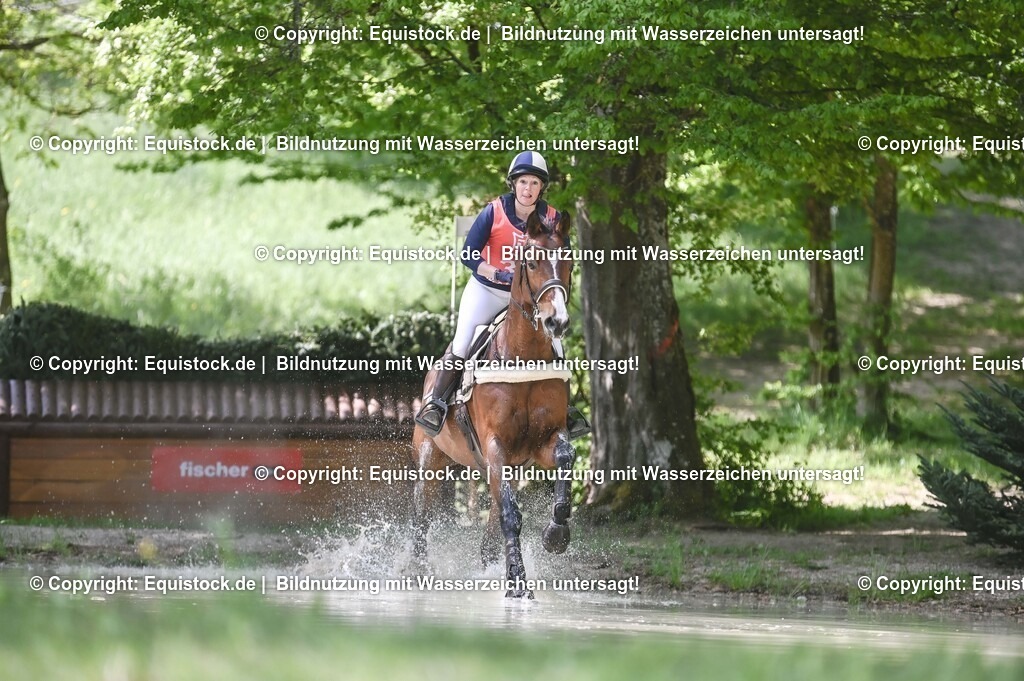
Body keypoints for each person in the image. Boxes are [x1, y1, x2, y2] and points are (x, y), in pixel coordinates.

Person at [415, 151, 589, 439]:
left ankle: (565, 411)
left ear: (541, 187)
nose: (528, 189)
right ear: (513, 184)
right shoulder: (493, 212)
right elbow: (469, 253)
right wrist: (497, 273)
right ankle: (436, 403)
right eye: (523, 182)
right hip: (488, 290)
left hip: (531, 300)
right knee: (462, 343)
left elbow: (562, 261)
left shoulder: (553, 218)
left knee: (556, 347)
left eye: (534, 183)